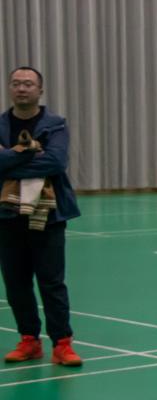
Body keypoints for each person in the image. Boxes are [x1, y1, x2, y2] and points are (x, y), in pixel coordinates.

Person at [1, 66, 82, 366]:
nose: (22, 88)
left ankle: (62, 344)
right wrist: (26, 153)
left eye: (28, 84)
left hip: (49, 215)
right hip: (7, 215)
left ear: (40, 90)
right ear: (10, 88)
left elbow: (55, 162)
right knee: (16, 283)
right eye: (16, 83)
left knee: (51, 282)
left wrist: (9, 158)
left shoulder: (55, 125)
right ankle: (29, 340)